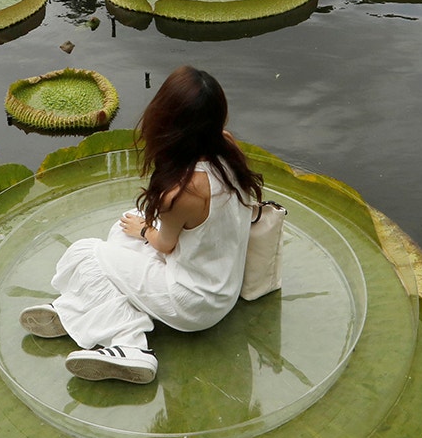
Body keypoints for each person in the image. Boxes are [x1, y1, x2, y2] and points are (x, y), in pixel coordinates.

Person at [19, 66, 263, 384]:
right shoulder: (228, 147)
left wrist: (146, 231)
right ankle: (78, 309)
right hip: (222, 285)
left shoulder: (183, 192)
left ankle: (129, 345)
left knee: (89, 252)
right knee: (121, 231)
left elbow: (165, 244)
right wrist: (142, 230)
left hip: (192, 301)